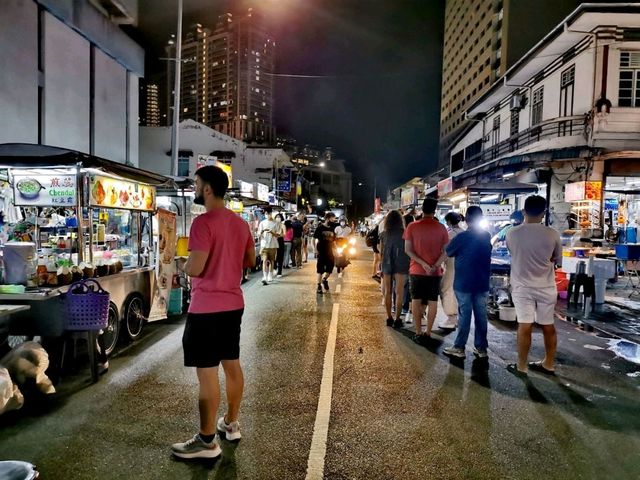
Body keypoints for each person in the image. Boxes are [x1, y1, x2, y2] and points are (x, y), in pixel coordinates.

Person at [171, 165, 255, 460]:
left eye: (196, 184)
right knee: (231, 364)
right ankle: (231, 423)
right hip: (233, 304)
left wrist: (182, 265)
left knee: (207, 374)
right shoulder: (241, 223)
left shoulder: (203, 223)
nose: (195, 189)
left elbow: (197, 266)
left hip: (206, 308)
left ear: (207, 189)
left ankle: (207, 441)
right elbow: (250, 260)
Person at [506, 195, 562, 376]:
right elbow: (557, 259)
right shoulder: (552, 234)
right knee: (548, 325)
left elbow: (512, 252)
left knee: (525, 325)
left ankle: (522, 366)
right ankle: (549, 364)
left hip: (522, 287)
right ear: (544, 212)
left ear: (523, 211)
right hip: (546, 287)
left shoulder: (512, 233)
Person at [442, 206, 492, 359]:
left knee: (464, 315)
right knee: (481, 316)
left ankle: (459, 347)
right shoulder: (486, 235)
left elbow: (448, 251)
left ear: (467, 219)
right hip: (482, 281)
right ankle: (481, 348)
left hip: (464, 282)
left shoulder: (461, 237)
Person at [404, 197, 449, 345]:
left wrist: (423, 264)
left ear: (422, 209)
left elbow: (408, 250)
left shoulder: (412, 226)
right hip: (434, 273)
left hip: (416, 270)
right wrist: (435, 265)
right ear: (434, 210)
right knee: (432, 301)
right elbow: (446, 252)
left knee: (416, 300)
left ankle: (418, 332)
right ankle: (428, 332)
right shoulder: (441, 228)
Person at [380, 210, 410, 328]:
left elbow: (380, 251)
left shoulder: (383, 234)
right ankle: (397, 319)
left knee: (387, 292)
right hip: (402, 263)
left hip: (386, 263)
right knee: (399, 292)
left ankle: (389, 318)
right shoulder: (405, 232)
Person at [439, 212, 465, 330]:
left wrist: (436, 264)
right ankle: (459, 317)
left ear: (448, 221)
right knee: (459, 291)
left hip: (451, 265)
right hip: (464, 265)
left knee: (447, 289)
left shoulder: (449, 234)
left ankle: (451, 318)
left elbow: (444, 251)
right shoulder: (464, 232)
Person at [314, 212, 337, 294]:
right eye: (332, 218)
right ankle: (319, 286)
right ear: (328, 218)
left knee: (330, 268)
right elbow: (315, 239)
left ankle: (324, 280)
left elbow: (333, 241)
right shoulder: (320, 228)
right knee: (320, 270)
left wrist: (336, 250)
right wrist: (315, 249)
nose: (333, 220)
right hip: (321, 251)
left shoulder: (332, 229)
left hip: (330, 252)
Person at [257, 207, 279, 285]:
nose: (267, 215)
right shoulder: (262, 223)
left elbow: (278, 235)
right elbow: (259, 234)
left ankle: (270, 275)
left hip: (273, 245)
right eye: (266, 213)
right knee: (265, 260)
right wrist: (262, 232)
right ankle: (264, 276)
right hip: (264, 245)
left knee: (272, 261)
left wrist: (272, 233)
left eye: (269, 213)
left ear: (271, 213)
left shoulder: (276, 223)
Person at [274, 213, 286, 278]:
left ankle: (279, 272)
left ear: (281, 218)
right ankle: (274, 267)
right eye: (276, 217)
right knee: (274, 256)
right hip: (274, 241)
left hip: (280, 241)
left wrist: (279, 235)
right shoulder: (274, 224)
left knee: (280, 257)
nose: (278, 218)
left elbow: (284, 234)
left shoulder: (283, 225)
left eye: (279, 217)